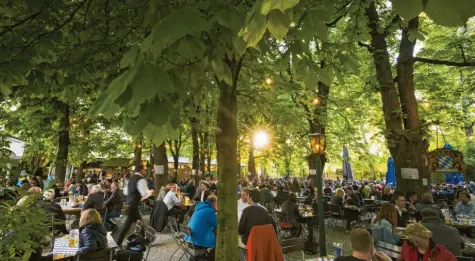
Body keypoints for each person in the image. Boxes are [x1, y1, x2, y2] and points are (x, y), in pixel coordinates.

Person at [115, 165, 154, 245]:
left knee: (140, 222)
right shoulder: (141, 179)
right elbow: (145, 193)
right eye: (144, 170)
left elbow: (125, 192)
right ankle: (117, 243)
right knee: (126, 226)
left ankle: (145, 240)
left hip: (128, 204)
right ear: (141, 170)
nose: (145, 171)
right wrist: (151, 192)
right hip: (133, 205)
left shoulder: (130, 179)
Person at [185, 195, 218, 261]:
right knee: (219, 240)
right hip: (198, 241)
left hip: (189, 238)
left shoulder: (199, 208)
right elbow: (216, 225)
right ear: (214, 203)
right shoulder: (209, 211)